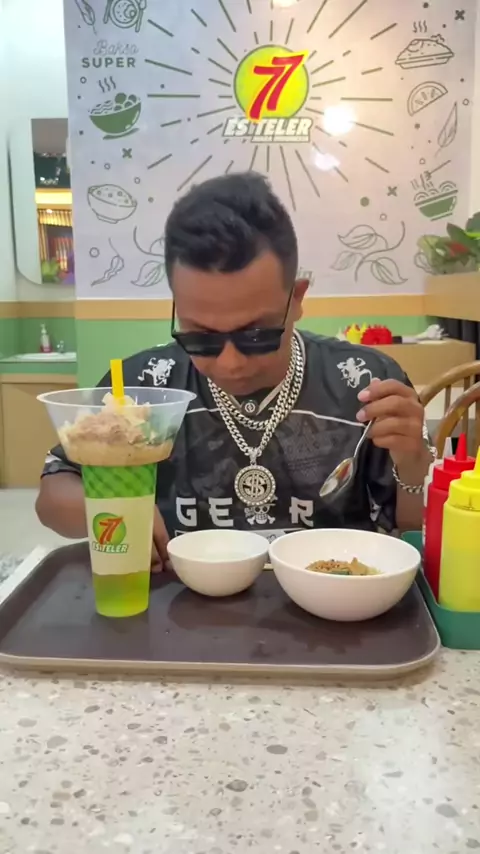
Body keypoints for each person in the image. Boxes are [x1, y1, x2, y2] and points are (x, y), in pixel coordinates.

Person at [36, 171, 434, 570]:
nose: (230, 362)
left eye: (256, 335)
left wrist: (413, 462)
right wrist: (113, 507)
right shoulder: (142, 390)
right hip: (177, 602)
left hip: (335, 602)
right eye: (201, 337)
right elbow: (52, 498)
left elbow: (413, 530)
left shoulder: (363, 382)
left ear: (296, 299)